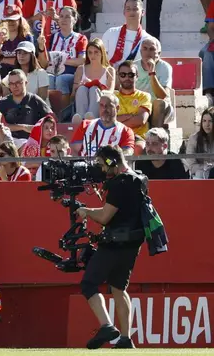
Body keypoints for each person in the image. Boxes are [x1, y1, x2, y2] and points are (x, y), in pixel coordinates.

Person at [76, 145, 148, 350]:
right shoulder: (138, 178)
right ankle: (125, 339)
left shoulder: (120, 183)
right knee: (118, 287)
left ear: (111, 163)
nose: (99, 169)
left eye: (101, 164)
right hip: (133, 243)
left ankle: (107, 326)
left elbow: (106, 216)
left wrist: (86, 211)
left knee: (89, 283)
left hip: (115, 242)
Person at [40, 6, 87, 107]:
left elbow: (82, 60)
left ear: (74, 20)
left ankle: (63, 113)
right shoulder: (51, 38)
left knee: (61, 79)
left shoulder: (80, 38)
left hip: (71, 73)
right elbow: (44, 62)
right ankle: (49, 111)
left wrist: (60, 59)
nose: (64, 19)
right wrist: (40, 48)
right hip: (51, 72)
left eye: (67, 17)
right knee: (48, 78)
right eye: (61, 16)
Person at [0, 69, 53, 147]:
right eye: (11, 83)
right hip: (9, 142)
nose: (15, 86)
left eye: (18, 83)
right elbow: (0, 126)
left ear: (26, 83)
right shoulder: (3, 103)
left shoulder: (35, 100)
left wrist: (39, 128)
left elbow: (51, 119)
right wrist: (23, 127)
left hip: (32, 141)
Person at [71, 93, 136, 156]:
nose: (104, 108)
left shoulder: (126, 131)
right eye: (101, 105)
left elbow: (127, 153)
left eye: (109, 105)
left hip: (111, 166)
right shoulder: (85, 125)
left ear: (117, 108)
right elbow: (75, 151)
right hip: (86, 165)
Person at [134, 37, 174, 128]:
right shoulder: (134, 66)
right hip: (138, 105)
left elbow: (163, 95)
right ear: (140, 52)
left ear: (158, 54)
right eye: (145, 49)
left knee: (159, 103)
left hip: (159, 108)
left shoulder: (165, 67)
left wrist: (152, 73)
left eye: (152, 49)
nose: (148, 52)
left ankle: (154, 137)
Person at [101, 0, 151, 67]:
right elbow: (101, 59)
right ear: (124, 12)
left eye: (135, 9)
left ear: (143, 12)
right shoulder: (110, 33)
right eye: (128, 9)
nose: (131, 12)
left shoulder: (148, 39)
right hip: (111, 75)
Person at [73, 38, 116, 120]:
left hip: (103, 103)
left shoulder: (109, 70)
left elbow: (111, 91)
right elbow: (73, 92)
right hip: (82, 97)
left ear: (102, 53)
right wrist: (81, 85)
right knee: (82, 89)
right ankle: (80, 117)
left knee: (94, 89)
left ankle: (91, 117)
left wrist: (97, 86)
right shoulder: (80, 69)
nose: (93, 55)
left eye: (96, 52)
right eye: (90, 52)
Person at [0, 6, 34, 76]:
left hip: (22, 72)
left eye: (13, 20)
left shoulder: (27, 37)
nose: (10, 22)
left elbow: (27, 60)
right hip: (1, 72)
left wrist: (3, 60)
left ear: (20, 20)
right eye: (7, 20)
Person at [114, 61, 152, 137]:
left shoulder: (144, 96)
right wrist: (130, 116)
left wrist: (116, 122)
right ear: (118, 76)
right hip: (116, 137)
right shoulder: (112, 96)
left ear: (137, 76)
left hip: (137, 137)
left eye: (131, 75)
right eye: (122, 75)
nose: (127, 78)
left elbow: (141, 120)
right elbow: (106, 119)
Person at [185, 107, 214, 179]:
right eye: (204, 121)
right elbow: (191, 164)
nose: (207, 124)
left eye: (210, 121)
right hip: (200, 175)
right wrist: (205, 167)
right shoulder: (194, 138)